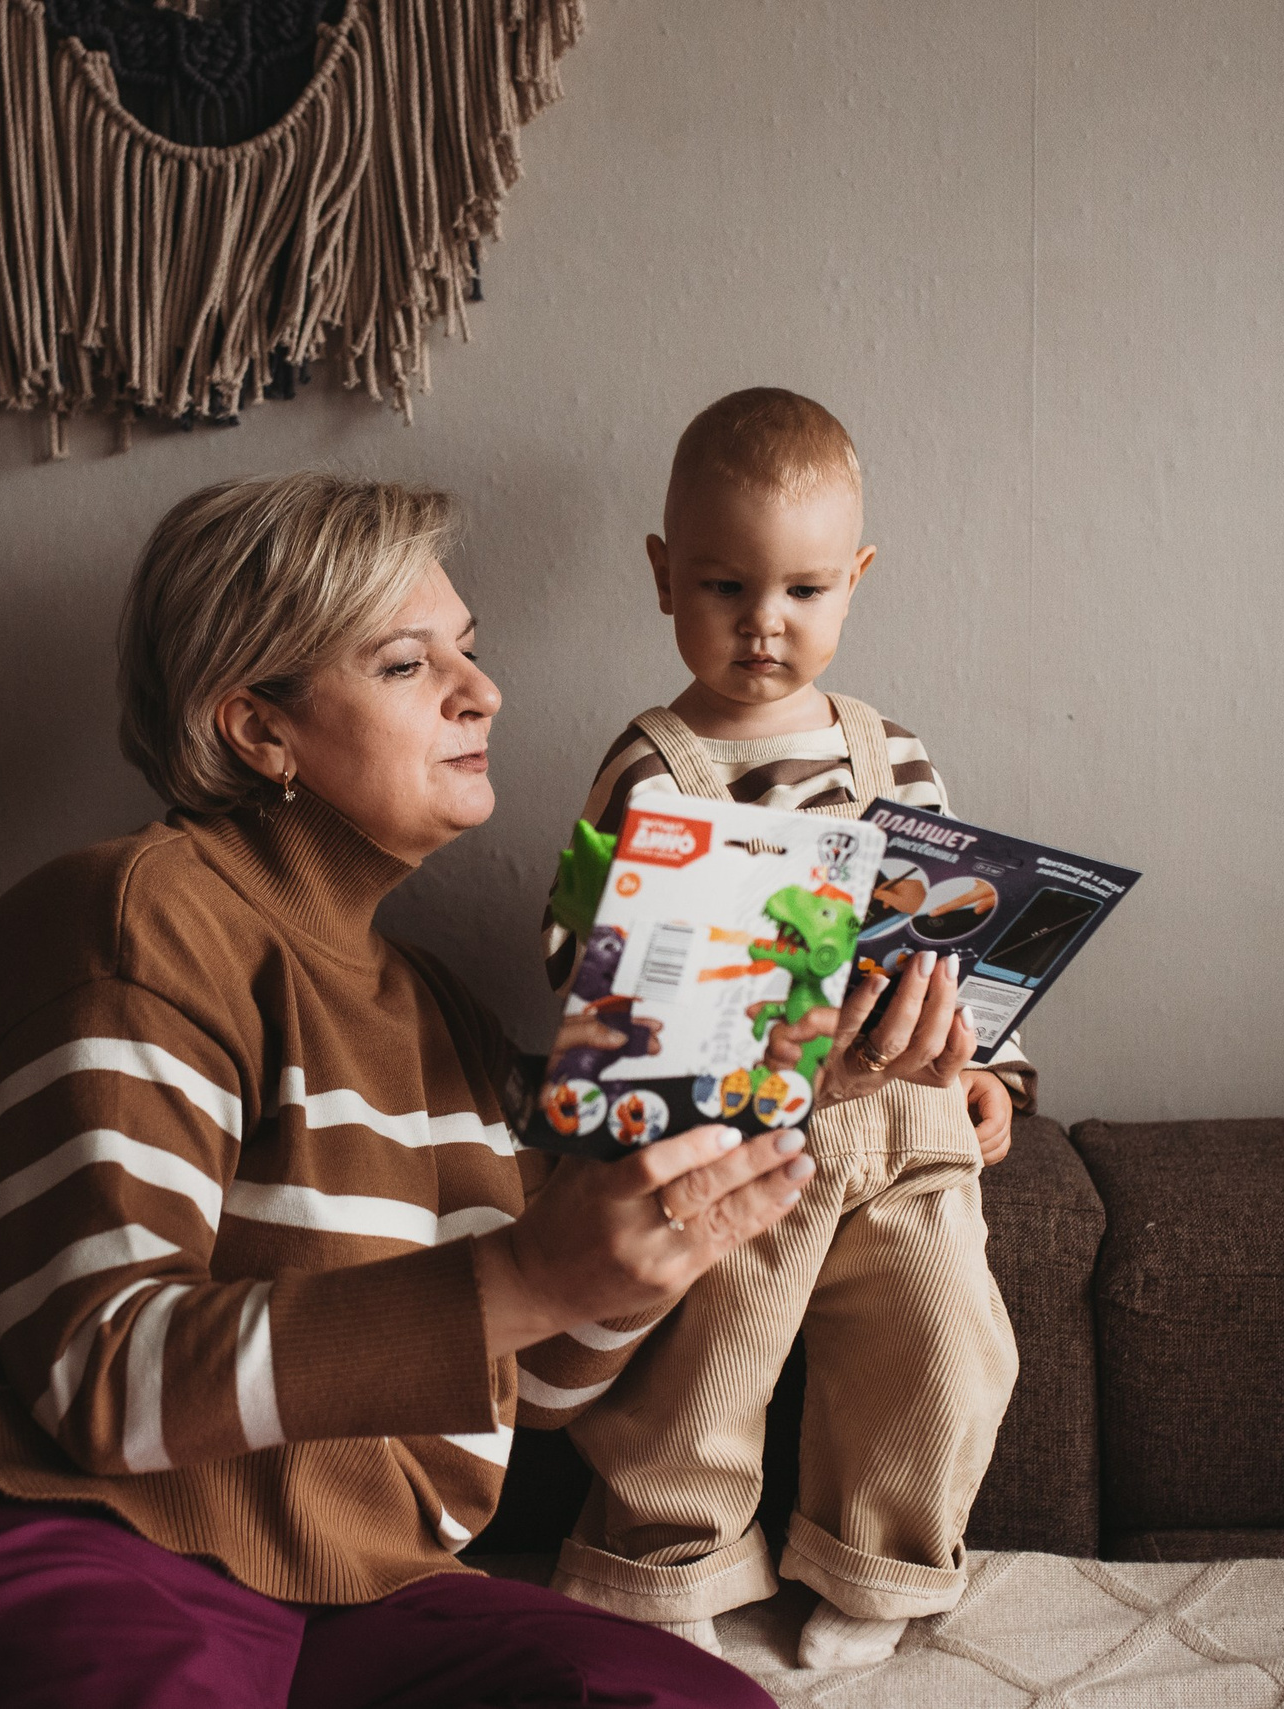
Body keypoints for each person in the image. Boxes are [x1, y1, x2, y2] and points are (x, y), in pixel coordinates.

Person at [0, 470, 980, 1708]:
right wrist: (524, 1275)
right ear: (258, 727)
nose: (483, 691)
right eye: (407, 665)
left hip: (354, 1575)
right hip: (33, 1507)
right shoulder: (132, 920)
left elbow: (547, 1378)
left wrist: (777, 1090)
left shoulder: (442, 1012)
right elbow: (102, 1373)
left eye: (468, 649)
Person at [535, 390, 1030, 1668]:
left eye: (804, 590)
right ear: (662, 576)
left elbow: (951, 954)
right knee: (709, 1352)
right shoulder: (650, 762)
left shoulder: (893, 751)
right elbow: (582, 958)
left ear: (855, 580)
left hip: (908, 1121)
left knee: (940, 1338)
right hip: (746, 1127)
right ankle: (663, 1562)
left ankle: (884, 1563)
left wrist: (996, 1076)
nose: (765, 623)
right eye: (724, 585)